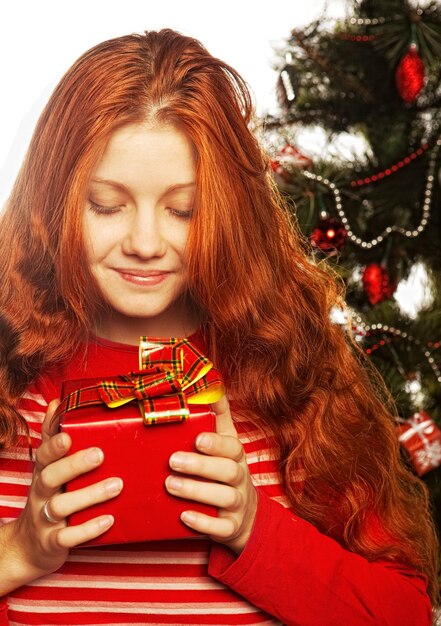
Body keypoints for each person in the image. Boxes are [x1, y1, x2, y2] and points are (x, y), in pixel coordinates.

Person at [0, 28, 438, 626]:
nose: (146, 244)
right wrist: (18, 551)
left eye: (184, 210)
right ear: (52, 202)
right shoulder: (11, 380)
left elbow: (404, 614)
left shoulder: (285, 371)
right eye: (107, 204)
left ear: (226, 213)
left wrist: (253, 527)